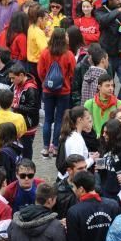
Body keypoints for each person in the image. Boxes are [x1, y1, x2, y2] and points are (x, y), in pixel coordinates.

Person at [38, 28, 76, 158]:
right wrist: (66, 81)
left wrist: (46, 82)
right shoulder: (68, 54)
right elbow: (72, 72)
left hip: (48, 90)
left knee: (48, 119)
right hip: (63, 90)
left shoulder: (45, 53)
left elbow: (40, 72)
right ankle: (54, 147)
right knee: (59, 119)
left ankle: (44, 147)